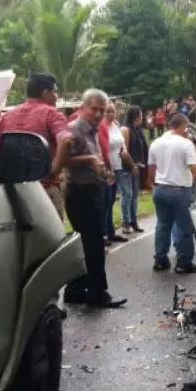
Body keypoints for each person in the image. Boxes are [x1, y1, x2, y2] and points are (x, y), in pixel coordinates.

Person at [62, 89, 127, 308]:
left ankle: (76, 289)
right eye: (95, 109)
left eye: (102, 110)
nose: (99, 114)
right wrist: (89, 159)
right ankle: (98, 294)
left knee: (85, 243)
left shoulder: (93, 129)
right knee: (93, 243)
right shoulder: (74, 130)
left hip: (93, 187)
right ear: (83, 107)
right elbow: (62, 160)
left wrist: (103, 170)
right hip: (81, 191)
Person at [0, 73, 72, 220]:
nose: (56, 96)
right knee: (51, 238)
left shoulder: (6, 116)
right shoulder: (51, 114)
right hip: (45, 189)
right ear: (45, 92)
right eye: (54, 92)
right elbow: (66, 140)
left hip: (17, 191)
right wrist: (55, 169)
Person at [148, 113, 196, 273]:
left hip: (160, 189)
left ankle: (160, 259)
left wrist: (154, 185)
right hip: (179, 190)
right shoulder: (185, 144)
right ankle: (183, 262)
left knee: (162, 225)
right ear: (184, 126)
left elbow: (151, 169)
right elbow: (195, 168)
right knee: (184, 226)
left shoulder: (156, 143)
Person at [102, 102, 135, 244]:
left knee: (111, 201)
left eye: (112, 111)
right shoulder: (101, 127)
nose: (110, 114)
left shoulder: (115, 125)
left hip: (118, 166)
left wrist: (124, 150)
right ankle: (104, 232)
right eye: (107, 112)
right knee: (106, 201)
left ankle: (111, 232)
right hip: (106, 168)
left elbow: (122, 142)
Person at [120, 105, 149, 234]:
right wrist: (132, 165)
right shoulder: (126, 129)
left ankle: (133, 220)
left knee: (135, 196)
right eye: (141, 114)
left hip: (137, 166)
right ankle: (125, 222)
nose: (142, 116)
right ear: (137, 115)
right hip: (127, 167)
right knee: (127, 195)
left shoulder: (138, 129)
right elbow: (124, 150)